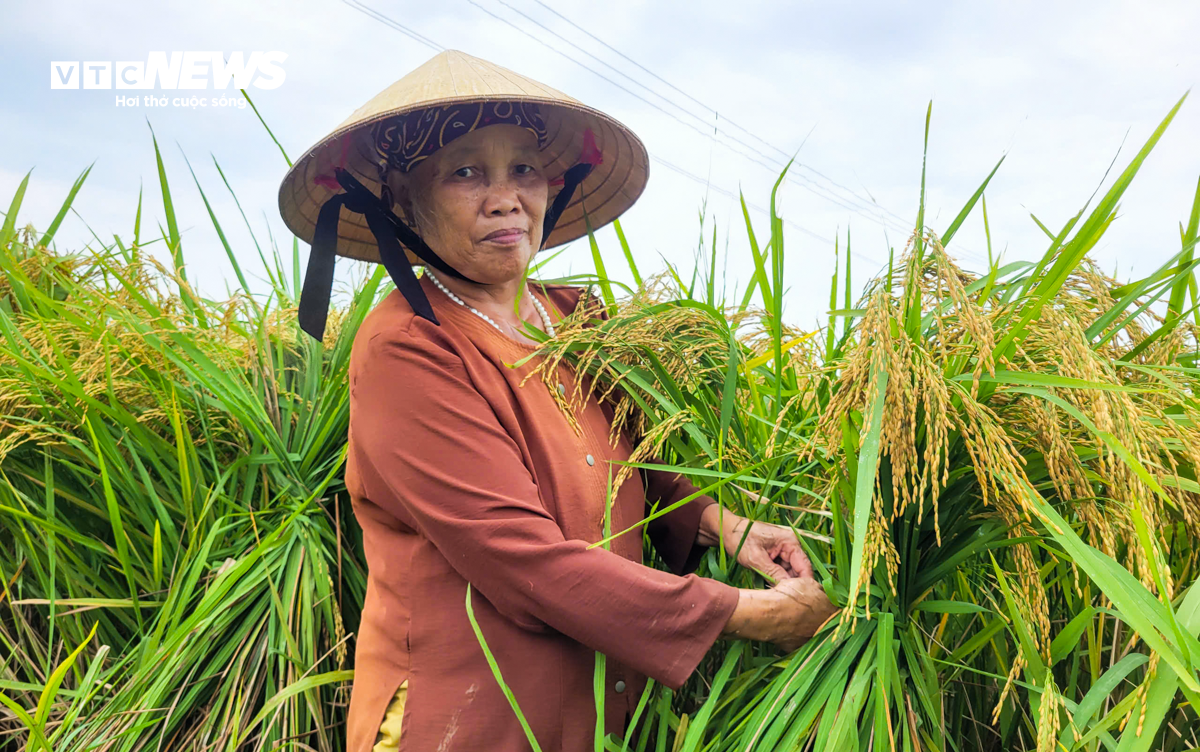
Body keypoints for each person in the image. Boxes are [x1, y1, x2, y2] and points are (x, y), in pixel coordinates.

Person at [278, 49, 837, 752]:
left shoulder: (577, 317)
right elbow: (521, 559)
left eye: (523, 168)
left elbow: (638, 461)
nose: (506, 196)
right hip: (468, 716)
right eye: (465, 171)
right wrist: (747, 613)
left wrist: (723, 524)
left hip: (599, 702)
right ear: (402, 198)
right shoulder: (409, 346)